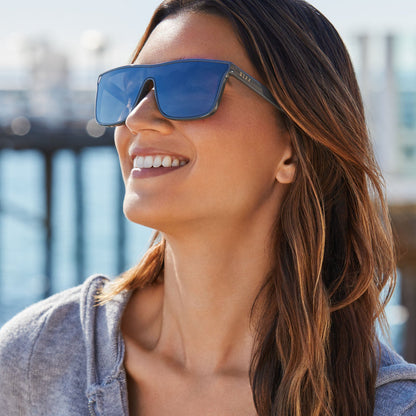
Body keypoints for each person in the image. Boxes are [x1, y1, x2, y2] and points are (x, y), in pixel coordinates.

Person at [1, 0, 416, 414]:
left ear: (292, 146)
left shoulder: (389, 406)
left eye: (190, 86)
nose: (137, 118)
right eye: (129, 91)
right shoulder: (34, 361)